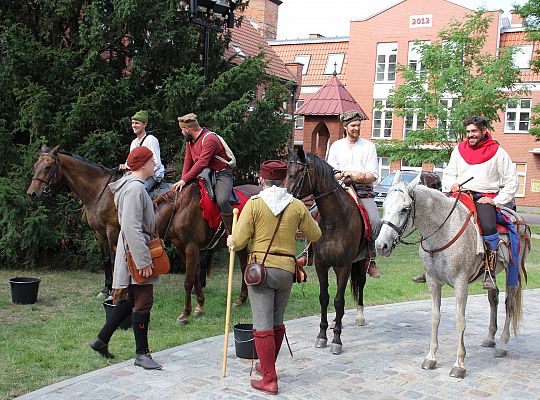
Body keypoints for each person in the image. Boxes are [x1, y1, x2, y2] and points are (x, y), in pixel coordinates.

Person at [227, 160, 321, 395]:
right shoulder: (297, 205)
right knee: (276, 322)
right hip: (287, 270)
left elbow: (238, 241)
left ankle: (269, 378)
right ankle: (266, 365)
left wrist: (231, 241)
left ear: (262, 179)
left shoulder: (254, 204)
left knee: (262, 326)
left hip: (261, 272)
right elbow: (316, 234)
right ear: (285, 180)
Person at [90, 146, 162, 370]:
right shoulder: (134, 189)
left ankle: (101, 340)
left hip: (132, 249)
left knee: (129, 299)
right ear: (142, 164)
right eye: (152, 161)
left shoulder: (134, 187)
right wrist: (144, 261)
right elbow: (131, 228)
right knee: (143, 301)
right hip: (135, 252)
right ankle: (142, 354)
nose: (155, 165)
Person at [442, 115, 518, 290]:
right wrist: (451, 184)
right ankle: (434, 268)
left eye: (474, 131)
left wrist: (496, 201)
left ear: (484, 131)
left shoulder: (498, 152)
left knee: (489, 227)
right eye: (468, 132)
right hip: (459, 195)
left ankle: (490, 271)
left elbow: (512, 181)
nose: (470, 135)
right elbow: (449, 173)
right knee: (438, 219)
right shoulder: (459, 149)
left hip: (485, 197)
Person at [327, 109, 382, 278]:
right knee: (313, 213)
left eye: (358, 125)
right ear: (345, 127)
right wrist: (346, 173)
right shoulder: (336, 146)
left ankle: (370, 259)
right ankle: (309, 253)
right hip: (339, 191)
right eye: (353, 126)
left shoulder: (369, 146)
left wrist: (362, 177)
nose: (356, 128)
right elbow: (331, 172)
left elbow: (373, 174)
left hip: (362, 191)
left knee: (375, 220)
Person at [172, 113, 235, 232]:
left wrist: (185, 179)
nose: (181, 133)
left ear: (187, 129)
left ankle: (232, 231)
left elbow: (202, 163)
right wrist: (183, 181)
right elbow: (188, 160)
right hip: (206, 173)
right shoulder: (190, 141)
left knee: (222, 201)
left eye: (182, 130)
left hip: (222, 174)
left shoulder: (209, 139)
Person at [119, 110, 165, 192]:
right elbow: (130, 162)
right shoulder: (134, 142)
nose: (134, 125)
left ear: (144, 124)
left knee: (138, 190)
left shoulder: (151, 139)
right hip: (137, 175)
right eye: (133, 123)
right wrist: (124, 166)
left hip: (152, 175)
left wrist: (140, 175)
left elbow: (156, 163)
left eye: (137, 123)